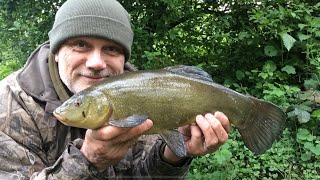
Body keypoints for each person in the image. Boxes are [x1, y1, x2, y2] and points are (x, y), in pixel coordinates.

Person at [0, 0, 230, 179]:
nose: (97, 63)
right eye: (81, 45)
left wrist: (170, 156)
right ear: (57, 51)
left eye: (111, 49)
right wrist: (88, 160)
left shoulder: (138, 92)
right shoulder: (9, 105)